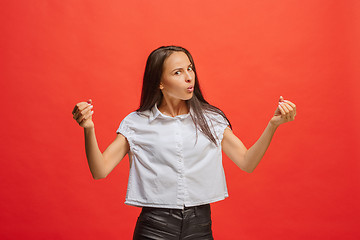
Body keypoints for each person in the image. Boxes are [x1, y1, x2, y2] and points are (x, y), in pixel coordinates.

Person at [72, 46, 296, 240]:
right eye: (178, 72)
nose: (189, 77)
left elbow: (247, 162)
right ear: (159, 82)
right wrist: (89, 129)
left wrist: (273, 125)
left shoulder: (212, 119)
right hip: (154, 227)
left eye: (190, 68)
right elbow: (99, 170)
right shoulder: (137, 123)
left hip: (200, 226)